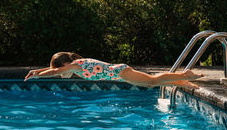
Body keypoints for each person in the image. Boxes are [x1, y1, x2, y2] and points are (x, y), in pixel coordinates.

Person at [24, 52, 203, 89]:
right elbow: (54, 69)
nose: (61, 73)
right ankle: (181, 82)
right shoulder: (73, 64)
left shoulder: (75, 65)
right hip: (120, 76)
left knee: (152, 80)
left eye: (60, 69)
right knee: (150, 84)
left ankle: (184, 74)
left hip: (121, 72)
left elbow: (54, 72)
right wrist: (37, 70)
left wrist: (36, 75)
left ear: (65, 64)